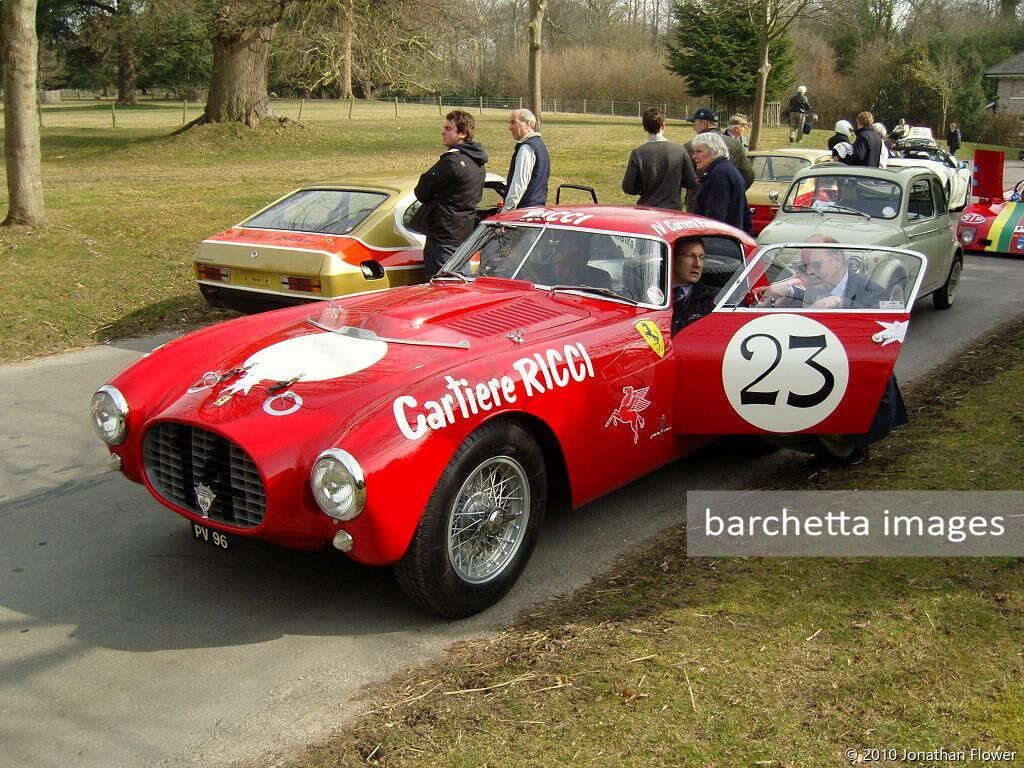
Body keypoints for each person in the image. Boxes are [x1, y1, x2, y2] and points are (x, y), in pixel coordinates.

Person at [412, 109, 488, 278]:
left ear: (462, 133)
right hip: (464, 233)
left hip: (443, 237)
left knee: (443, 289)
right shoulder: (478, 163)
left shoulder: (452, 162)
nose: (443, 132)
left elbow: (421, 191)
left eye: (448, 128)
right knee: (460, 285)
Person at [756, 235, 884, 309]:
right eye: (804, 266)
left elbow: (885, 320)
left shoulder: (871, 291)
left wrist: (840, 302)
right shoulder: (817, 286)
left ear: (838, 260)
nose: (809, 272)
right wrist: (787, 290)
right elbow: (809, 296)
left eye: (816, 265)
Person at [622, 106, 698, 210]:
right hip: (672, 210)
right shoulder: (679, 150)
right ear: (663, 125)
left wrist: (642, 187)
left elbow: (629, 188)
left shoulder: (638, 153)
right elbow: (691, 182)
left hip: (646, 209)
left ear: (644, 127)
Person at [684, 106, 753, 212]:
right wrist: (734, 192)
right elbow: (748, 175)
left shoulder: (691, 146)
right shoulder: (735, 144)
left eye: (695, 124)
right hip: (731, 204)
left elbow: (684, 178)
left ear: (704, 123)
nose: (694, 128)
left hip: (699, 206)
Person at [691, 132, 751, 233]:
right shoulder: (728, 169)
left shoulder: (718, 175)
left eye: (699, 151)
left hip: (720, 242)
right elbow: (746, 215)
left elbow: (715, 219)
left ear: (714, 151)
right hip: (732, 239)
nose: (694, 156)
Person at [503, 108, 550, 210]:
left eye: (513, 122)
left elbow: (519, 185)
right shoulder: (540, 145)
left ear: (527, 124)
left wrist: (506, 211)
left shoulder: (527, 148)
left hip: (524, 212)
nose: (510, 127)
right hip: (537, 209)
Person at [671, 236, 717, 334]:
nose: (698, 264)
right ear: (673, 258)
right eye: (691, 256)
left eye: (701, 258)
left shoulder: (716, 300)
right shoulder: (649, 292)